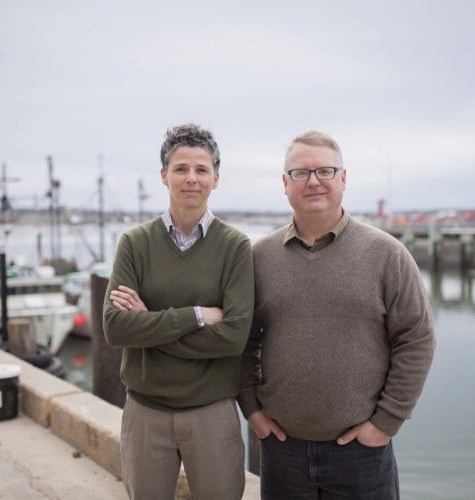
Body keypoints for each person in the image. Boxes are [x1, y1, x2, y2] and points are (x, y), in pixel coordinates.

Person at [238, 130, 436, 499]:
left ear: (343, 179)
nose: (313, 181)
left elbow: (417, 338)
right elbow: (243, 339)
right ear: (285, 184)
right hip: (281, 450)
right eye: (301, 173)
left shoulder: (386, 254)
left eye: (325, 171)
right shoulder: (257, 258)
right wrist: (251, 408)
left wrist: (385, 423)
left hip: (362, 452)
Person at [103, 123, 255, 500]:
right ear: (163, 175)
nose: (191, 178)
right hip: (145, 412)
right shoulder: (135, 244)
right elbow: (116, 328)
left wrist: (150, 329)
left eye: (201, 170)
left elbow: (234, 337)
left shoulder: (235, 247)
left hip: (212, 412)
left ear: (215, 179)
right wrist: (196, 316)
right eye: (181, 168)